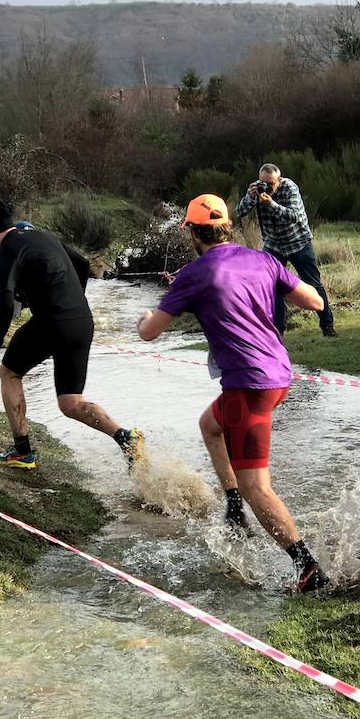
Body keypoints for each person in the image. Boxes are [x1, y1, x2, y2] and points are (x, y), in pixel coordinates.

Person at [137, 194, 330, 594]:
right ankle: (233, 503)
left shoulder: (194, 273)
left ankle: (307, 568)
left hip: (248, 386)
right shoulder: (262, 260)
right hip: (278, 375)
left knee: (258, 485)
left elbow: (149, 332)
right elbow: (314, 301)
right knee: (209, 425)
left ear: (191, 231)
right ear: (227, 226)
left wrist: (152, 311)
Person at [0, 198, 143, 471]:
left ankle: (23, 452)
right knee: (70, 402)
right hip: (81, 320)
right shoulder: (40, 235)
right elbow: (80, 262)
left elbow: (6, 299)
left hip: (52, 321)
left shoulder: (6, 251)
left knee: (9, 372)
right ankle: (125, 437)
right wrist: (74, 296)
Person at [234, 163, 336, 338]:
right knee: (273, 288)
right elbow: (239, 212)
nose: (267, 187)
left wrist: (271, 204)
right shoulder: (257, 190)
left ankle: (327, 326)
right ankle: (277, 332)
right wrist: (250, 198)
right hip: (273, 244)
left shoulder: (290, 188)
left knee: (313, 284)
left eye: (271, 184)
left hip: (298, 242)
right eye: (263, 182)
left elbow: (293, 216)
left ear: (279, 180)